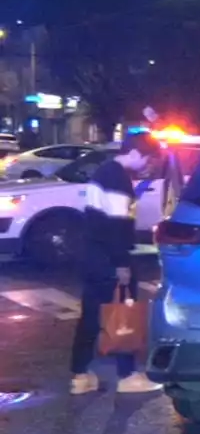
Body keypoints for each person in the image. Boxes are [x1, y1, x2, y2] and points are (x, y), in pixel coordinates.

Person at [69, 131, 165, 395]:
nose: (147, 165)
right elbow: (117, 224)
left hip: (92, 255)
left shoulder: (103, 172)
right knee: (125, 313)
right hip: (110, 258)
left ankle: (79, 375)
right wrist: (122, 263)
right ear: (135, 153)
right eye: (146, 159)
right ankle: (127, 375)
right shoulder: (118, 178)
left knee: (90, 316)